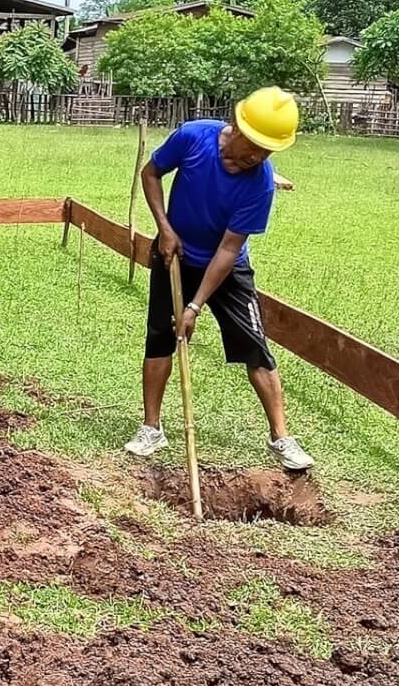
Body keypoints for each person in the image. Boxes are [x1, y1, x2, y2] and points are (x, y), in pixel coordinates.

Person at [125, 87, 315, 473]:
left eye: (267, 152)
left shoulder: (260, 184)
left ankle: (281, 437)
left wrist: (195, 306)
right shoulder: (193, 136)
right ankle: (151, 429)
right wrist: (164, 229)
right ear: (237, 127)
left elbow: (228, 250)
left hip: (226, 268)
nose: (257, 158)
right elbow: (151, 173)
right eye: (255, 146)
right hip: (172, 254)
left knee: (255, 346)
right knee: (161, 337)